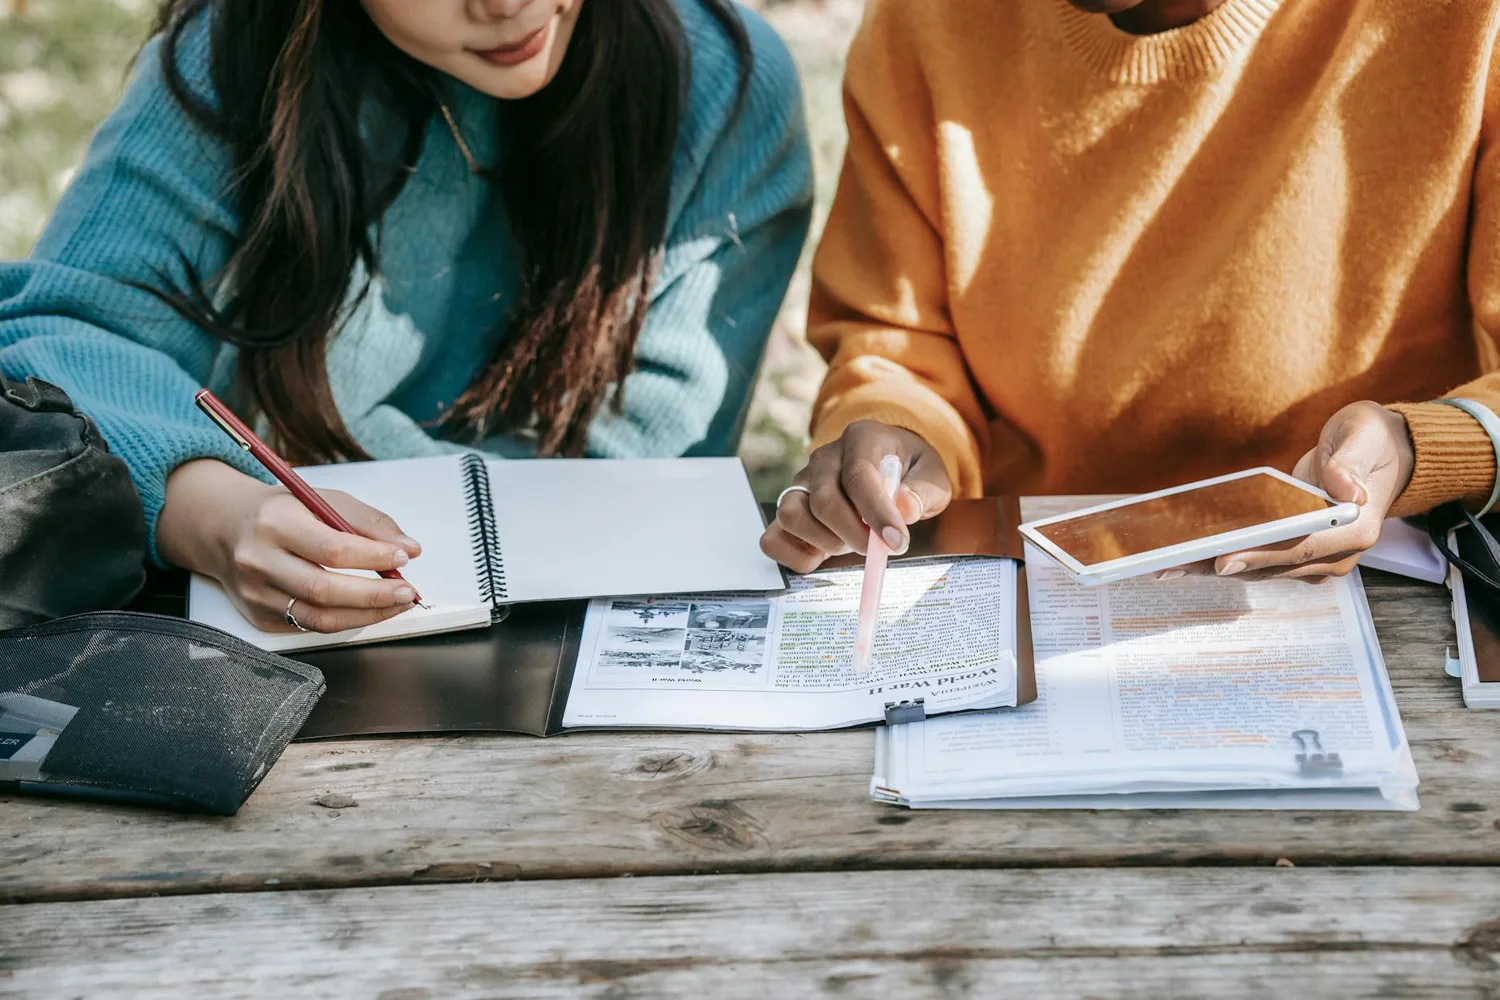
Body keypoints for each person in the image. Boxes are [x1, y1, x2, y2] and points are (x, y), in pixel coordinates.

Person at [0, 0, 813, 634]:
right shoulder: (243, 54)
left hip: (576, 642)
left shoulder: (725, 86)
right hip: (255, 642)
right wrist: (212, 512)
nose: (507, 7)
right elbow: (66, 339)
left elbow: (647, 471)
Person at [763, 0, 1500, 583]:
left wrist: (1419, 447)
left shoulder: (1466, 24)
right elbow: (897, 338)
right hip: (1030, 574)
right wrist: (896, 432)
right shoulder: (924, 23)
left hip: (1384, 581)